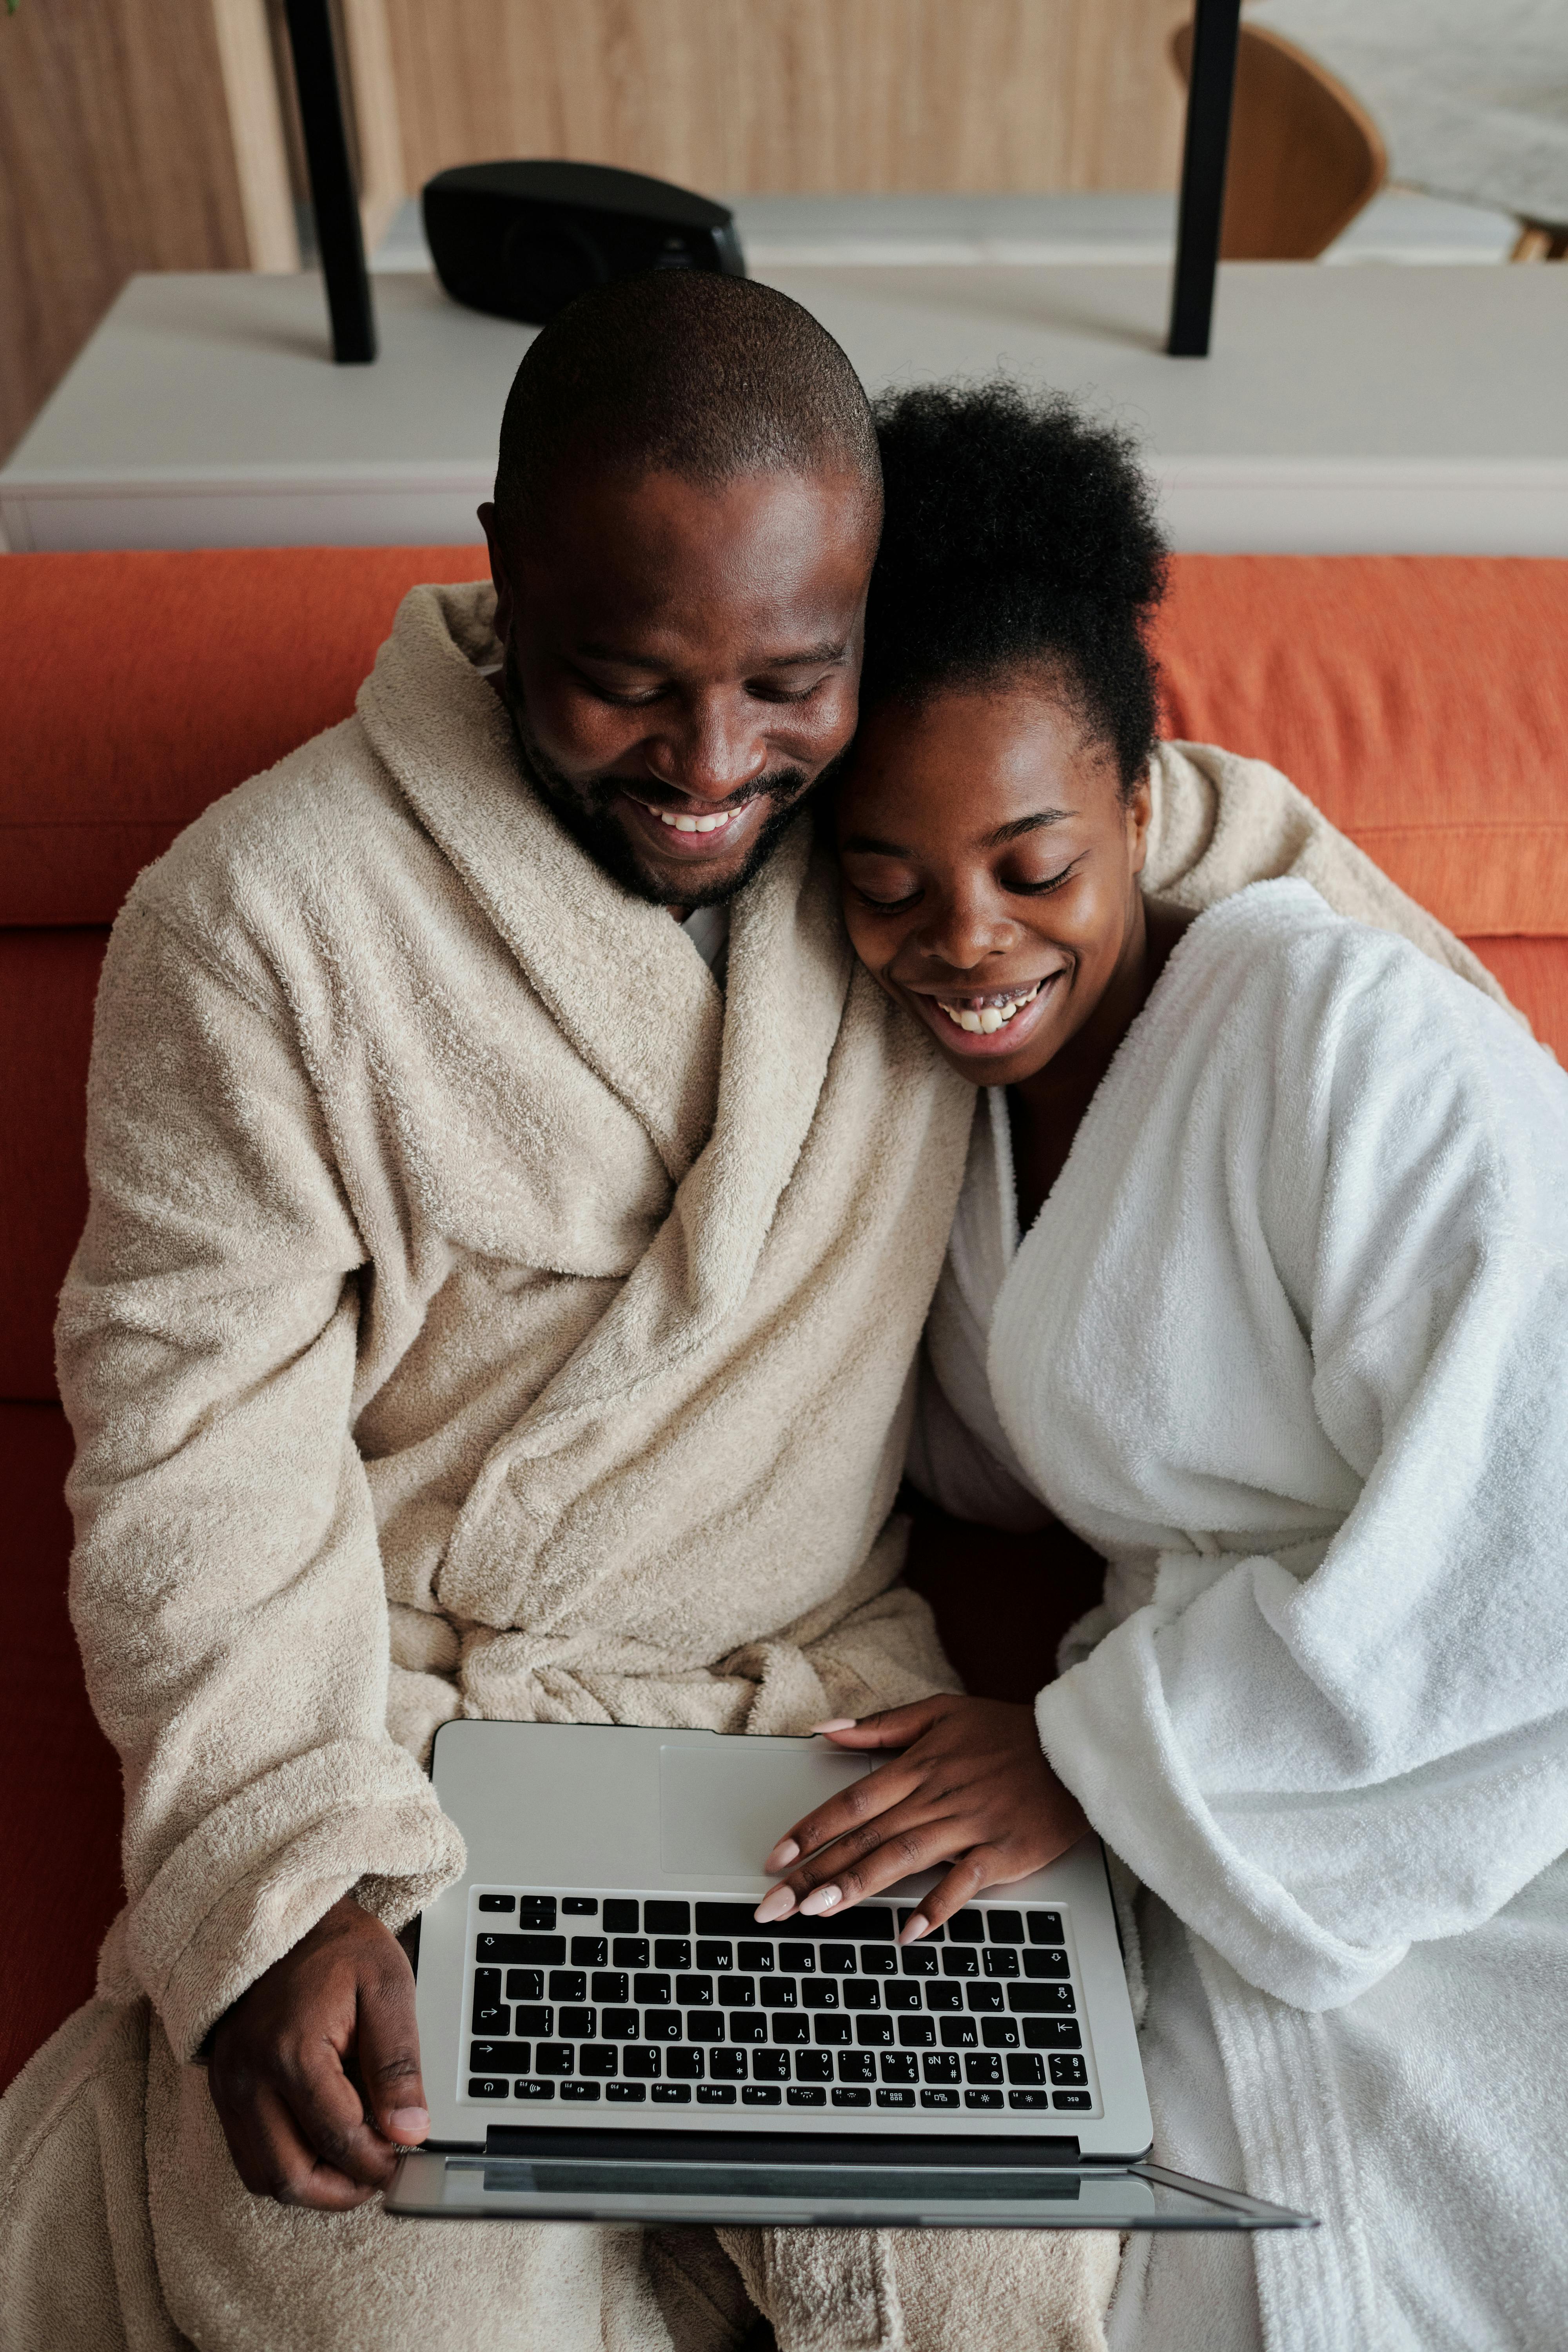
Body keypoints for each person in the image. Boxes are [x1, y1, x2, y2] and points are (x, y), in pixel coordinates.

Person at [0, 283, 1502, 2352]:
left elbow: (1228, 869)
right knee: (388, 2303)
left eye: (790, 682)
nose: (713, 767)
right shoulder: (263, 925)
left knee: (1017, 2289)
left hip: (823, 1731)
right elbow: (192, 1439)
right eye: (627, 683)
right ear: (504, 580)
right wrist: (278, 1886)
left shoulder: (901, 828)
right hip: (427, 1733)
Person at [756, 382, 1568, 2352]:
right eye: (887, 881)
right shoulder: (928, 1132)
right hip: (1222, 1825)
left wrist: (1087, 1756)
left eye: (1032, 862)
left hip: (1488, 1783)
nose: (965, 943)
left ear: (1139, 797)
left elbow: (1538, 1533)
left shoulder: (1345, 1045)